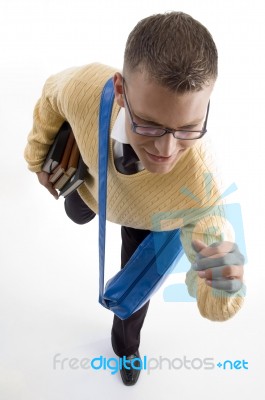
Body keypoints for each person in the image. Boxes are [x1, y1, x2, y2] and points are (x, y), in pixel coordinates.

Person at [24, 11, 245, 386]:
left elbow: (213, 258)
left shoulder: (199, 182)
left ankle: (126, 348)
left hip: (150, 218)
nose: (166, 149)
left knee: (135, 287)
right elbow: (50, 94)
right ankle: (82, 203)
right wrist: (37, 157)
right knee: (79, 209)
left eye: (188, 128)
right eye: (150, 124)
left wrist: (221, 284)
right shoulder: (83, 89)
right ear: (121, 89)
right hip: (93, 185)